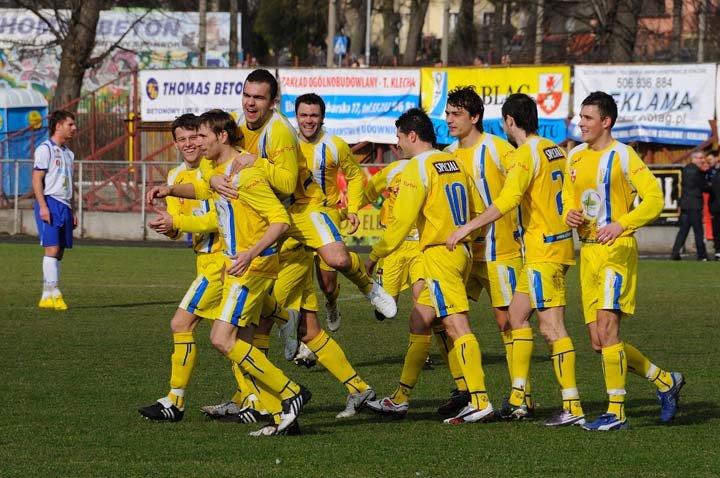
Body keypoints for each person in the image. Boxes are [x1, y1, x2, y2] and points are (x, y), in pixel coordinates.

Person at [209, 69, 396, 320]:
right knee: (244, 275)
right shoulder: (233, 123)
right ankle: (287, 327)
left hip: (305, 207)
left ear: (273, 102)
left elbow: (287, 184)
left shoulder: (282, 132)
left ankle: (368, 287)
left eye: (259, 98)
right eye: (246, 95)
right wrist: (210, 176)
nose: (250, 102)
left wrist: (256, 161)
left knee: (337, 260)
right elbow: (206, 147)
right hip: (268, 214)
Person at [447, 93, 585, 427]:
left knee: (552, 329)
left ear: (510, 121)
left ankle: (573, 405)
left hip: (543, 250)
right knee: (516, 316)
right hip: (550, 248)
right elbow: (567, 190)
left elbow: (507, 200)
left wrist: (468, 226)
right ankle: (518, 398)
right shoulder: (554, 149)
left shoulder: (524, 154)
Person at [563, 91, 684, 431]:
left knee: (608, 330)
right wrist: (569, 214)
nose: (581, 124)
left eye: (588, 118)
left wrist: (622, 223)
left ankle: (616, 413)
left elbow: (655, 199)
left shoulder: (624, 156)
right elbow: (568, 201)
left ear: (606, 122)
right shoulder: (574, 157)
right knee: (599, 343)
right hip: (587, 252)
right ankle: (664, 381)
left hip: (617, 249)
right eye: (580, 117)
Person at [365, 108, 495, 424]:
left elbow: (401, 223)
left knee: (456, 325)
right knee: (420, 319)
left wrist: (374, 255)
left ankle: (479, 399)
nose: (397, 145)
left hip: (439, 255)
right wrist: (464, 237)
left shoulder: (416, 168)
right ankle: (400, 399)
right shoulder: (455, 163)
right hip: (458, 252)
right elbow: (478, 210)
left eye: (398, 137)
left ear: (411, 135)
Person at [443, 86, 528, 417]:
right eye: (448, 113)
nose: (449, 120)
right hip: (463, 253)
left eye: (456, 114)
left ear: (475, 117)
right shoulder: (448, 154)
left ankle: (522, 396)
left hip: (500, 249)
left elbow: (522, 185)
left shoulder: (497, 149)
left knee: (506, 320)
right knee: (443, 316)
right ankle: (465, 388)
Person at [138, 114, 229, 422]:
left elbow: (220, 221)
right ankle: (259, 397)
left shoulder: (215, 171)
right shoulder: (176, 177)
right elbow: (179, 229)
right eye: (182, 140)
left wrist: (177, 221)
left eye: (194, 137)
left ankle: (175, 400)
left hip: (221, 264)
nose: (190, 144)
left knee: (182, 324)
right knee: (234, 337)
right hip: (206, 262)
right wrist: (168, 224)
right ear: (175, 143)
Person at [294, 93, 365, 331]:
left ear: (322, 117)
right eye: (304, 114)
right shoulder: (286, 143)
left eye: (314, 115)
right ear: (296, 116)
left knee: (327, 283)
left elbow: (355, 176)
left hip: (326, 216)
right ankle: (305, 340)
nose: (308, 120)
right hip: (293, 218)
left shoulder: (335, 145)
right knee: (296, 280)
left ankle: (332, 302)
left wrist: (353, 209)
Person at [33, 110, 77, 311]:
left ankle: (45, 295)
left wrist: (73, 208)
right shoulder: (45, 149)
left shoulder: (69, 153)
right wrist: (43, 206)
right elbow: (36, 179)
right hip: (50, 202)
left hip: (65, 205)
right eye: (70, 124)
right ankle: (56, 291)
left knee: (59, 252)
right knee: (51, 248)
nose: (74, 128)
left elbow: (70, 183)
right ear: (58, 126)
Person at [671, 150, 709, 261]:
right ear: (695, 158)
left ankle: (675, 253)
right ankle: (702, 255)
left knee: (683, 231)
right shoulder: (697, 171)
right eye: (701, 158)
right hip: (694, 205)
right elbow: (704, 186)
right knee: (698, 232)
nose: (703, 160)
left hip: (685, 204)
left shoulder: (686, 169)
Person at [706, 151, 720, 260]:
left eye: (710, 160)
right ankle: (718, 251)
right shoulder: (709, 173)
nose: (708, 162)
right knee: (716, 229)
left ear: (716, 158)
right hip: (715, 206)